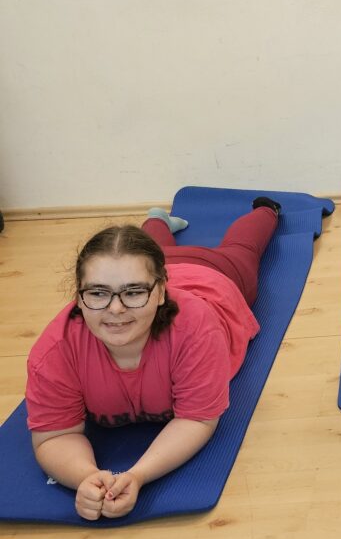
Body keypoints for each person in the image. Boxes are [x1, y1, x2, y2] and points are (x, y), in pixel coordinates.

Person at [25, 197, 282, 520]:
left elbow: (197, 419)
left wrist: (138, 475)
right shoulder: (55, 351)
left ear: (161, 292)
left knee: (242, 248)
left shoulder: (197, 329)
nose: (115, 308)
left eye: (133, 292)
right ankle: (158, 220)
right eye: (98, 293)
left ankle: (267, 210)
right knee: (154, 253)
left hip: (214, 275)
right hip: (155, 268)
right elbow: (55, 436)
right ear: (78, 296)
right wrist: (86, 477)